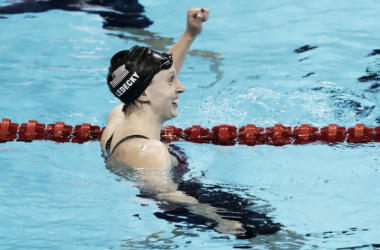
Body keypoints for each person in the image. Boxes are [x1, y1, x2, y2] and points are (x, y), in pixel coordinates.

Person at [100, 7, 251, 236]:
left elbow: (155, 80)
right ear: (143, 94)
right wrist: (219, 219)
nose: (181, 87)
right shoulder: (152, 152)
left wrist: (190, 34)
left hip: (169, 203)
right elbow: (167, 194)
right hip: (188, 208)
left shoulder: (118, 115)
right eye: (172, 81)